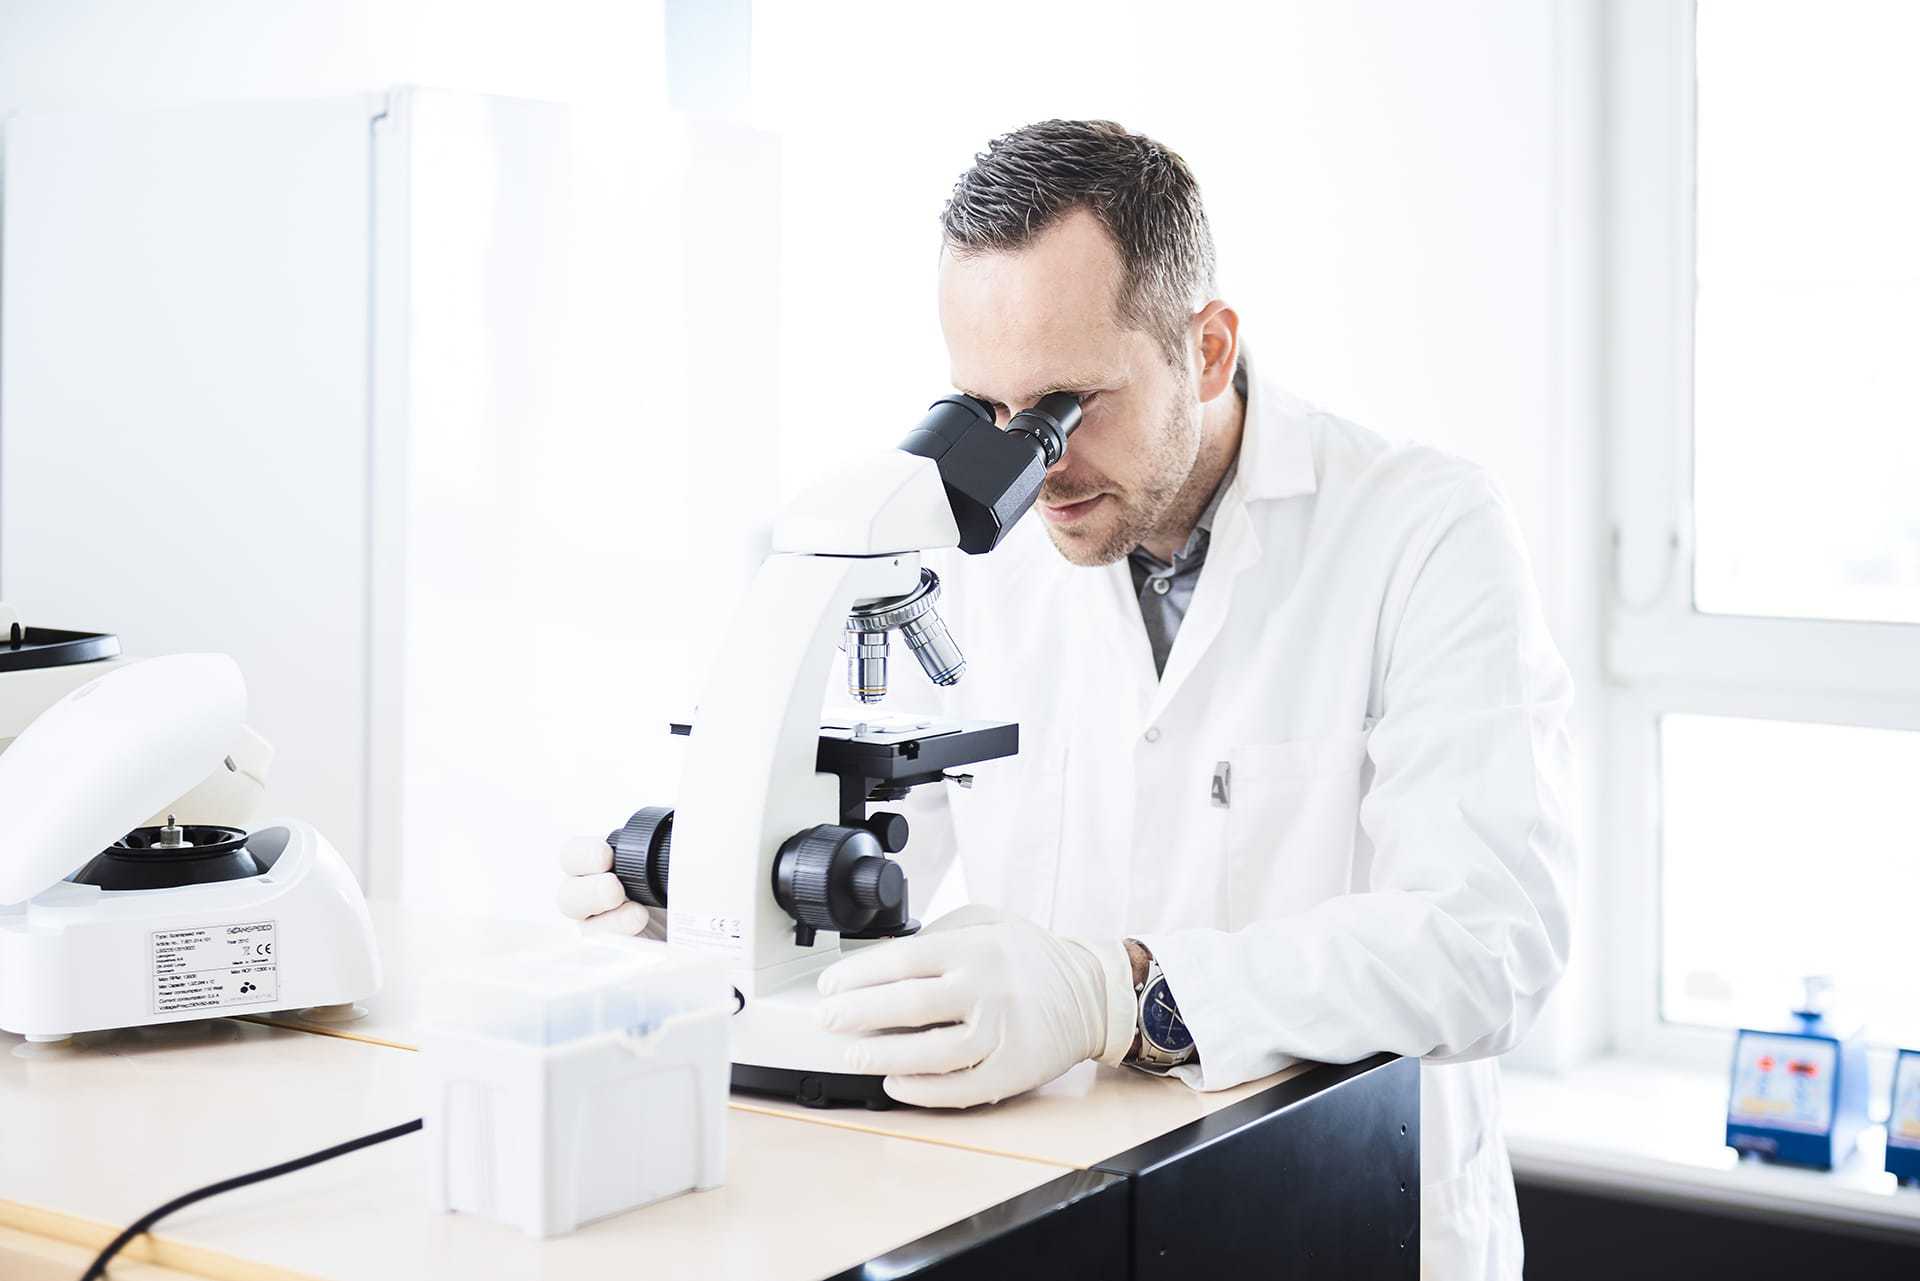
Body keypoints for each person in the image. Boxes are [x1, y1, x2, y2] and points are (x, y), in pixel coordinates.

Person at [557, 118, 1574, 1279]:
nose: (1029, 466)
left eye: (1065, 406)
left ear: (1208, 349)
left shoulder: (1422, 530)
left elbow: (1489, 948)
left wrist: (1116, 994)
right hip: (1050, 1208)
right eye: (984, 411)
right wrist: (721, 889)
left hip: (1342, 1224)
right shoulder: (971, 546)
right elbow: (872, 859)